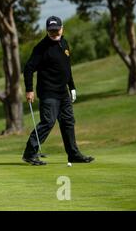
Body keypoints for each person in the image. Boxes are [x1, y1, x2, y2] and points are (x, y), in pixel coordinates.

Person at [22, 16, 94, 165]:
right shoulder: (41, 48)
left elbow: (66, 68)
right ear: (47, 30)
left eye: (56, 30)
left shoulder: (64, 43)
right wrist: (29, 90)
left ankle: (73, 154)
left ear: (62, 28)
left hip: (63, 92)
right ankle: (30, 153)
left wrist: (72, 86)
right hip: (48, 92)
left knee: (68, 122)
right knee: (48, 122)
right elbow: (28, 68)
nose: (54, 33)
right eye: (51, 30)